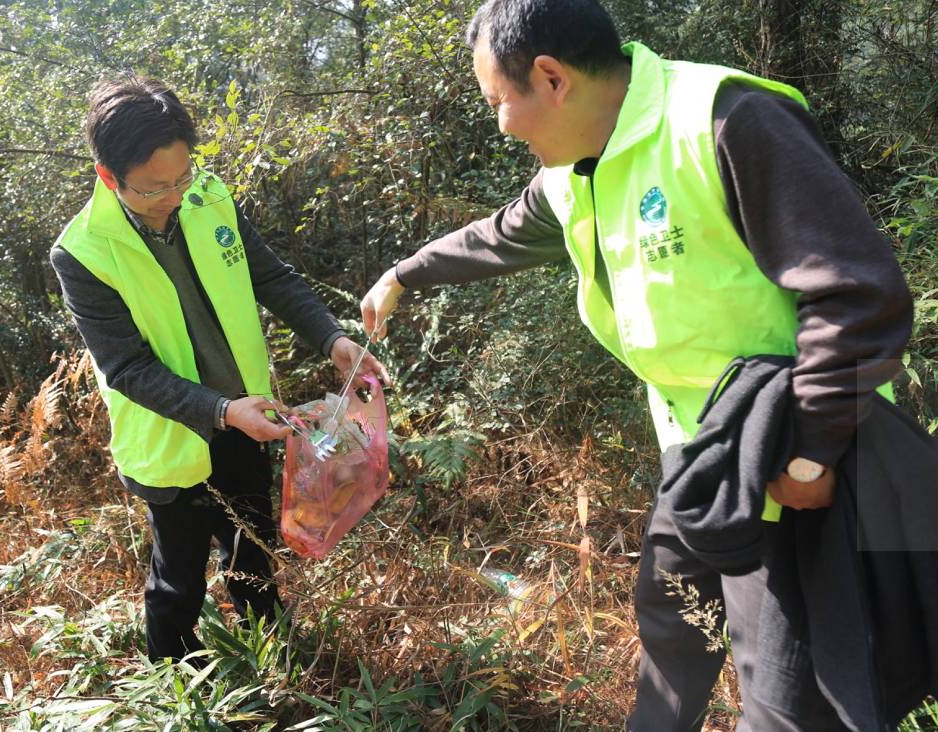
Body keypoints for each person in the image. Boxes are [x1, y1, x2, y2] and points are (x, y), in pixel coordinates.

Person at [360, 0, 913, 729]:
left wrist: (810, 458)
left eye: (499, 101)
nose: (500, 123)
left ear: (552, 78)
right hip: (698, 451)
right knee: (670, 618)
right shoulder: (577, 168)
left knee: (787, 704)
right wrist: (403, 274)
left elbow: (858, 293)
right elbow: (500, 235)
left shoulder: (722, 120)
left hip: (782, 463)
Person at [51, 76, 386, 664]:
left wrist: (329, 337)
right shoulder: (82, 251)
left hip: (249, 418)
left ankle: (275, 663)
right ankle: (175, 688)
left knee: (252, 557)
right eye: (156, 187)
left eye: (183, 176)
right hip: (172, 438)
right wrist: (219, 411)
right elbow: (126, 367)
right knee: (177, 578)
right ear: (109, 176)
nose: (176, 194)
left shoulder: (208, 196)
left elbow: (271, 276)